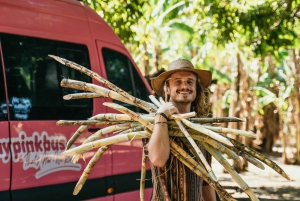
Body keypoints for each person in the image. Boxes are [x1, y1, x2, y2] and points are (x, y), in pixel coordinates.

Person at [147, 59, 217, 201]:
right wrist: (162, 115)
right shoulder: (154, 122)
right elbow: (158, 160)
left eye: (189, 82)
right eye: (178, 82)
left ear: (196, 88)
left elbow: (206, 180)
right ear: (167, 88)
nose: (185, 86)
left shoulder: (201, 130)